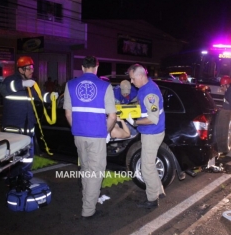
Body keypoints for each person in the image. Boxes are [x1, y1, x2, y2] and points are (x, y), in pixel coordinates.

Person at [63, 56, 117, 219]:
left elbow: (68, 113)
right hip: (97, 135)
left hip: (79, 135)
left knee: (86, 169)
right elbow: (112, 117)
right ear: (96, 67)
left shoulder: (70, 85)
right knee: (95, 172)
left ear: (82, 67)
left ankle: (87, 200)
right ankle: (88, 210)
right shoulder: (105, 86)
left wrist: (78, 128)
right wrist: (105, 132)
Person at [0, 56, 54, 182]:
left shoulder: (31, 84)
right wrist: (22, 84)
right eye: (28, 68)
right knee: (14, 155)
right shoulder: (10, 81)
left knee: (28, 156)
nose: (31, 71)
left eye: (32, 68)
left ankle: (25, 176)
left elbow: (39, 96)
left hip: (28, 126)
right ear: (21, 70)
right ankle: (12, 177)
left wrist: (51, 96)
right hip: (14, 128)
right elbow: (4, 89)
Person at [126, 64, 166, 209]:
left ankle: (152, 199)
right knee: (149, 164)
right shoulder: (145, 88)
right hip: (151, 132)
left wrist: (135, 122)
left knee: (146, 168)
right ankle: (159, 191)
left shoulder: (150, 92)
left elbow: (153, 118)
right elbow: (141, 104)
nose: (131, 82)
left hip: (152, 132)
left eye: (132, 78)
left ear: (141, 76)